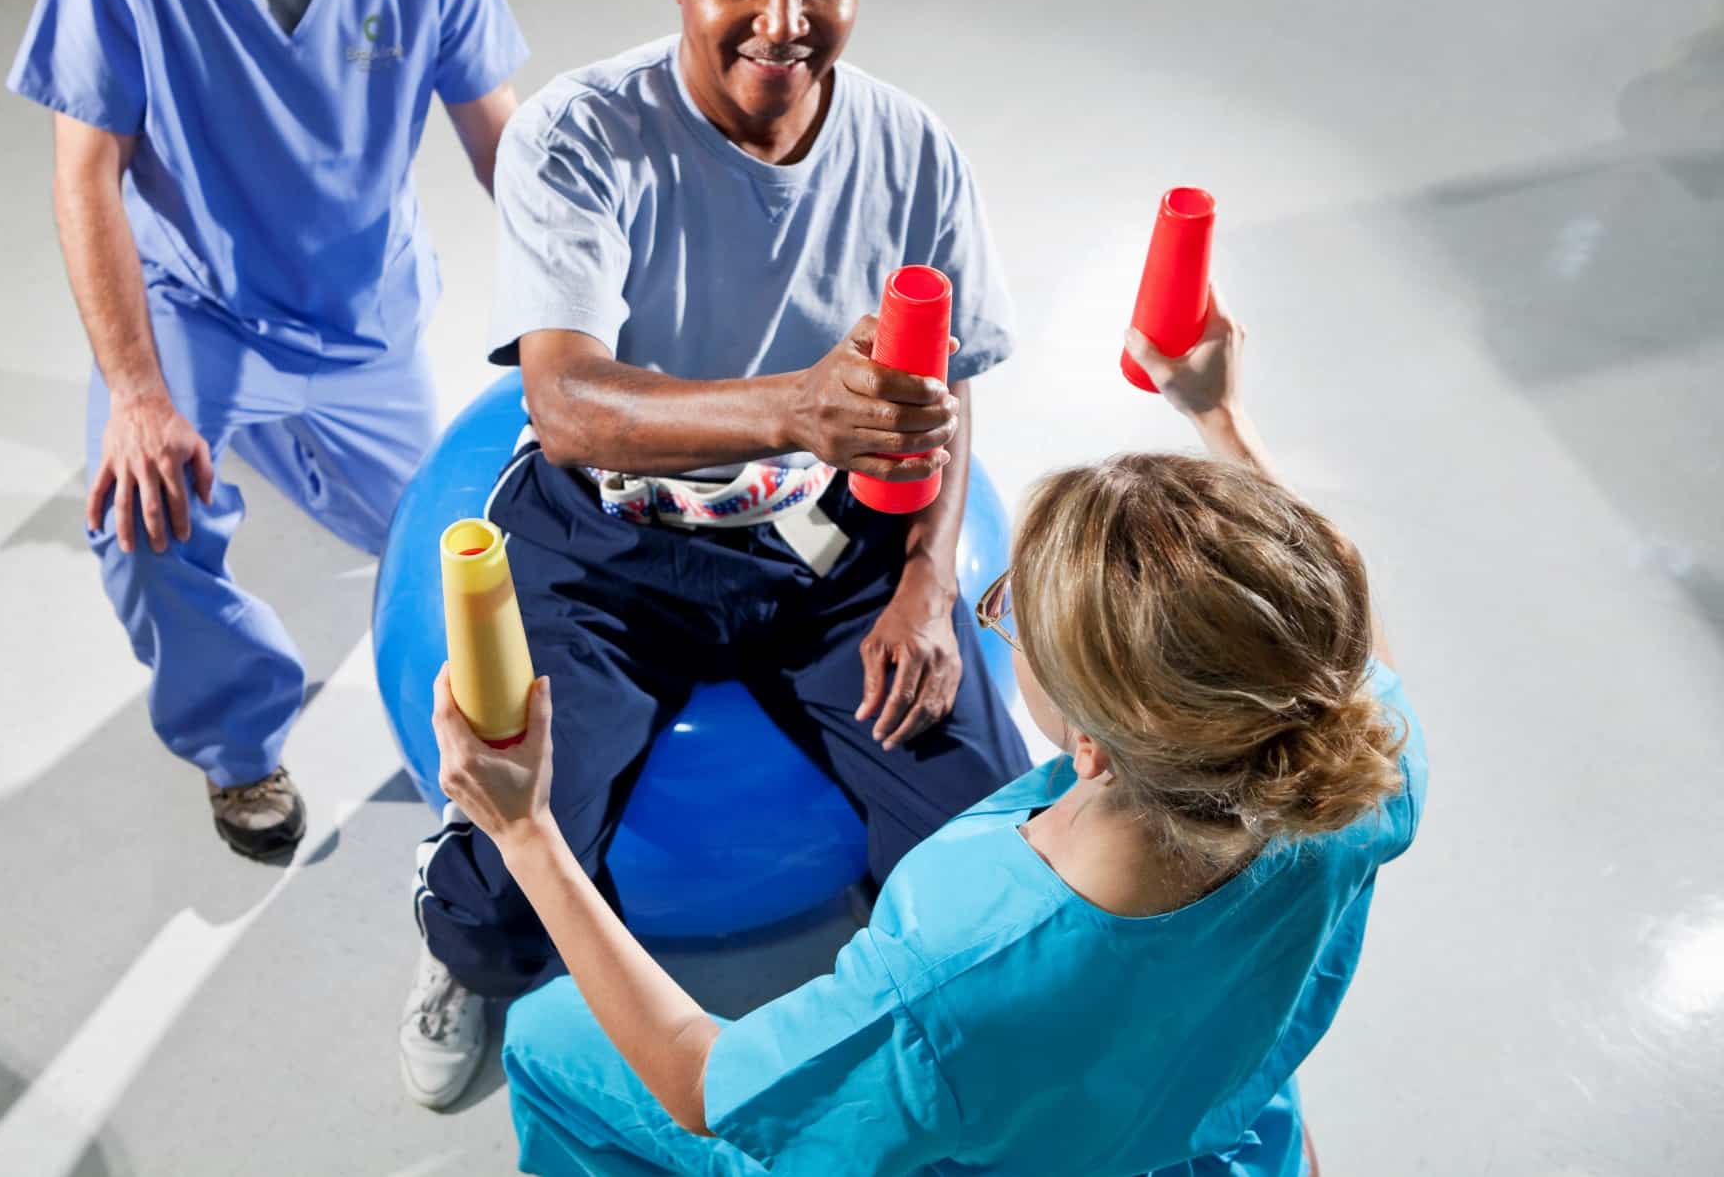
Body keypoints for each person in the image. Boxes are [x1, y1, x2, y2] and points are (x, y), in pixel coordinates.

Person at [438, 289, 1425, 1175]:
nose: (998, 616)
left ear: (1088, 744)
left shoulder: (957, 965)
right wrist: (1217, 417)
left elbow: (705, 1087)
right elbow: (1337, 641)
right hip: (1209, 1125)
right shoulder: (1354, 762)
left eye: (1013, 613)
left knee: (548, 1035)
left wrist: (525, 830)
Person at [400, 0, 1033, 1108]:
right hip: (604, 544)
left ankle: (903, 938)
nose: (784, 21)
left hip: (831, 547)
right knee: (523, 848)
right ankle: (465, 951)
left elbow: (946, 389)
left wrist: (925, 581)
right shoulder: (576, 135)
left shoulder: (915, 152)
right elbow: (565, 404)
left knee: (990, 837)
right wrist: (797, 408)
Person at [6, 0, 527, 860]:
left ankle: (287, 443)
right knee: (141, 520)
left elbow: (501, 146)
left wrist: (594, 308)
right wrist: (138, 396)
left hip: (358, 312)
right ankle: (236, 740)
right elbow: (85, 175)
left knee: (457, 549)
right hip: (195, 304)